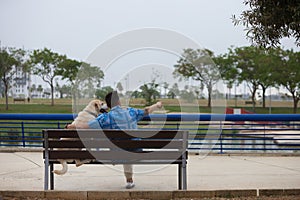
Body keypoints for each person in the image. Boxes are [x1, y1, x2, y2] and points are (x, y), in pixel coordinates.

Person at [67, 91, 162, 189]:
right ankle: (129, 180)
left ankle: (86, 157)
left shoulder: (105, 118)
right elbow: (146, 111)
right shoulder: (131, 112)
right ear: (119, 101)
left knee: (118, 146)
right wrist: (157, 105)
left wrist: (71, 126)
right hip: (135, 151)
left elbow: (85, 126)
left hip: (115, 155)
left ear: (108, 105)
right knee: (128, 148)